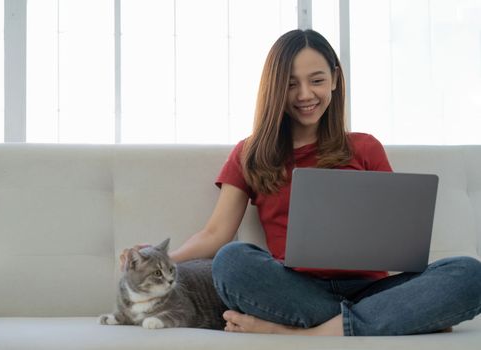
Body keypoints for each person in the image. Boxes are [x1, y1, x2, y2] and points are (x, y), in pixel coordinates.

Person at [121, 29, 481, 336]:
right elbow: (215, 235)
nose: (305, 94)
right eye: (291, 84)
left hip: (373, 290)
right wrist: (156, 257)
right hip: (293, 290)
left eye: (317, 80)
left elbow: (393, 236)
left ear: (336, 80)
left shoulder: (365, 146)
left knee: (468, 273)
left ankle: (308, 332)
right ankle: (382, 322)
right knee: (231, 261)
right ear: (275, 87)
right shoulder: (250, 153)